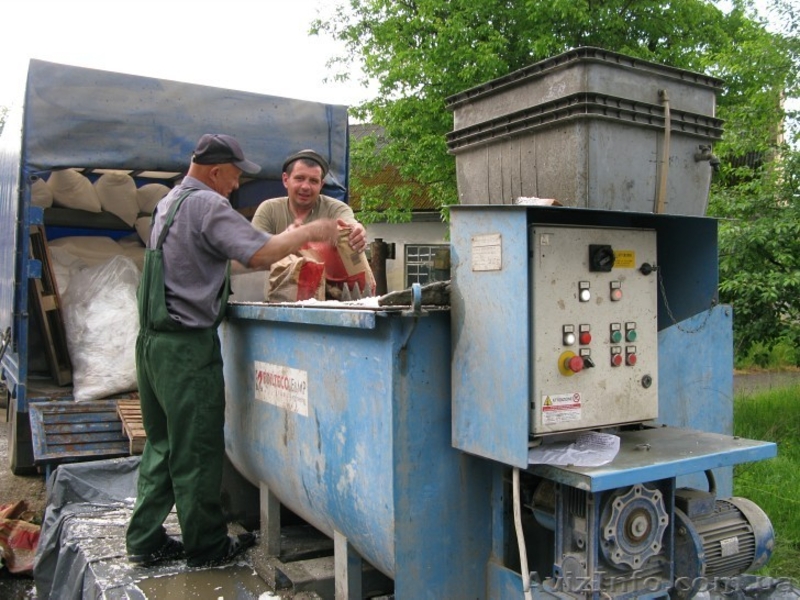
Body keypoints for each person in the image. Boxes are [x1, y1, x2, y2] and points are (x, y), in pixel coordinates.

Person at [125, 134, 338, 569]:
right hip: (186, 349)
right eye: (235, 175)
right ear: (215, 170)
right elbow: (259, 255)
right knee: (198, 449)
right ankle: (206, 547)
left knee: (163, 446)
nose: (236, 184)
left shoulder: (170, 202)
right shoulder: (207, 204)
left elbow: (222, 258)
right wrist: (310, 233)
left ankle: (143, 540)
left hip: (152, 343)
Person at [251, 149, 367, 253]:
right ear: (286, 180)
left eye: (313, 181)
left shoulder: (336, 209)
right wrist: (287, 238)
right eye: (299, 178)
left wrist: (357, 231)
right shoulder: (269, 209)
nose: (306, 187)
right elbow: (253, 250)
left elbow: (349, 224)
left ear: (321, 185)